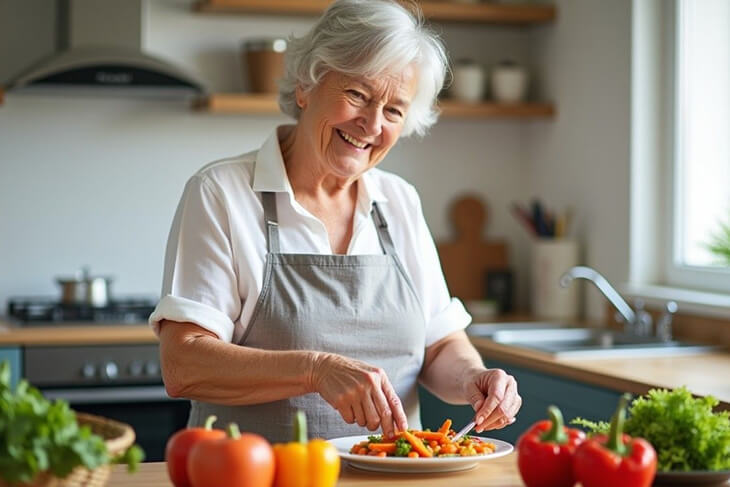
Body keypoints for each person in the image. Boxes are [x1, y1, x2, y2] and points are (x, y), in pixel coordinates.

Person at [151, 0, 521, 443]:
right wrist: (314, 369)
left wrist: (471, 379)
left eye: (394, 110)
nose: (371, 124)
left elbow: (439, 344)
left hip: (394, 475)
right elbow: (184, 365)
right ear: (306, 86)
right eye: (358, 95)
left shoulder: (399, 201)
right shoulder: (222, 193)